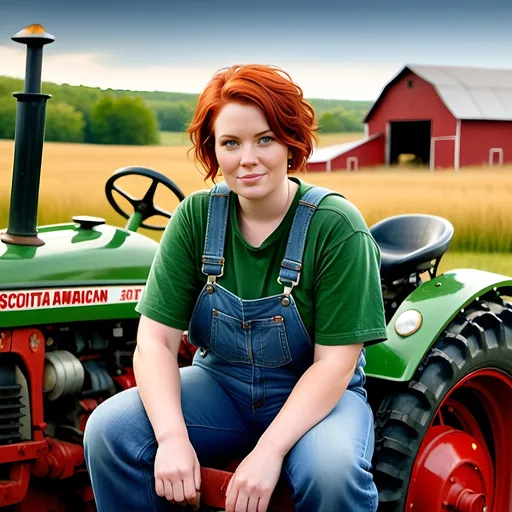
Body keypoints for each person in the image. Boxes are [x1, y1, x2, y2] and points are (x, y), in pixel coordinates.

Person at [84, 64, 387, 512]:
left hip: (315, 396)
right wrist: (171, 439)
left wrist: (268, 451)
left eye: (264, 139)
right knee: (110, 429)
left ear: (290, 141)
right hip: (219, 386)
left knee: (332, 470)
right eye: (230, 143)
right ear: (213, 150)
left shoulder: (338, 228)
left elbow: (335, 365)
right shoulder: (196, 218)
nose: (247, 158)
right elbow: (155, 341)